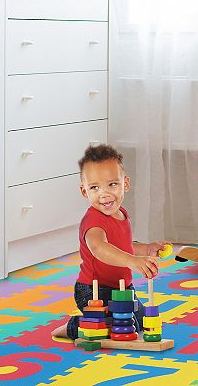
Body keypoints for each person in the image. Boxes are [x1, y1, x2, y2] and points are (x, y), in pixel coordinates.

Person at [52, 144, 166, 339]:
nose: (104, 194)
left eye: (112, 184)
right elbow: (99, 248)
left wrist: (146, 249)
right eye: (94, 187)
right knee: (112, 326)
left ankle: (101, 321)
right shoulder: (93, 221)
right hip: (94, 291)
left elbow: (124, 247)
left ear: (126, 184)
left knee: (138, 322)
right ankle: (74, 326)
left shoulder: (122, 214)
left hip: (122, 287)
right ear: (84, 191)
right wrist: (132, 261)